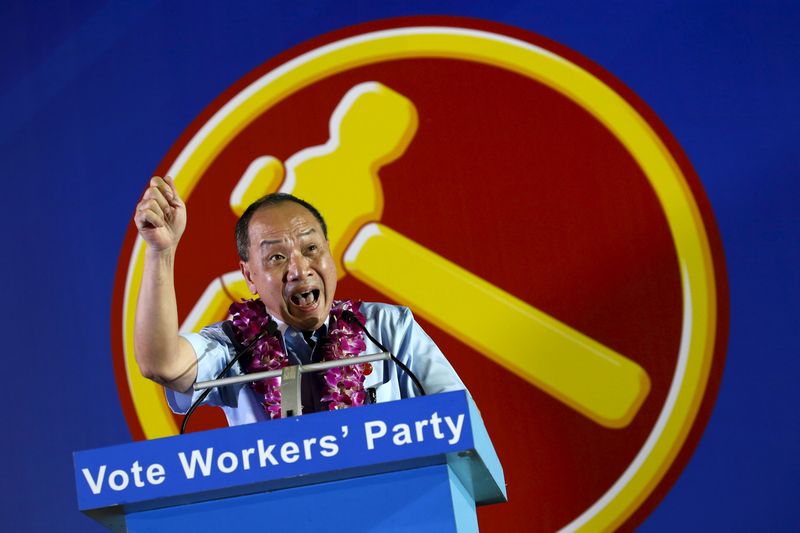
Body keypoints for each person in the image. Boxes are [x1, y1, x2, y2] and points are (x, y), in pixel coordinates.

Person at [133, 175, 466, 426]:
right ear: (249, 276)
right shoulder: (232, 346)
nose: (299, 269)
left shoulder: (389, 329)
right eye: (276, 257)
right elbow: (160, 364)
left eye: (311, 249)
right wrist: (161, 252)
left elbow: (461, 424)